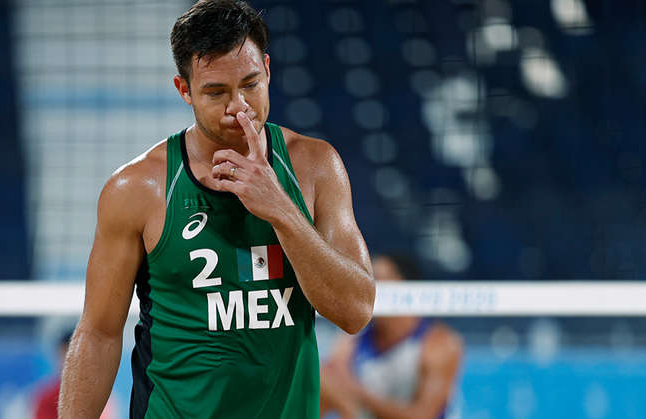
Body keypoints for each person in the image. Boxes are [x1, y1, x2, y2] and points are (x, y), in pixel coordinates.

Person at [58, 1, 376, 417]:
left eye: (250, 84)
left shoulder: (315, 167)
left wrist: (280, 208)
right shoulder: (138, 188)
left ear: (267, 69)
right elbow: (99, 333)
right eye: (216, 92)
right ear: (184, 89)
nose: (238, 106)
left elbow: (355, 312)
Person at [320, 254, 464, 419]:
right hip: (363, 410)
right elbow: (331, 383)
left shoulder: (439, 343)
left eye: (378, 279)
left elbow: (424, 416)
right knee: (317, 378)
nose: (367, 286)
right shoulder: (351, 340)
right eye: (366, 278)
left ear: (404, 289)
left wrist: (356, 393)